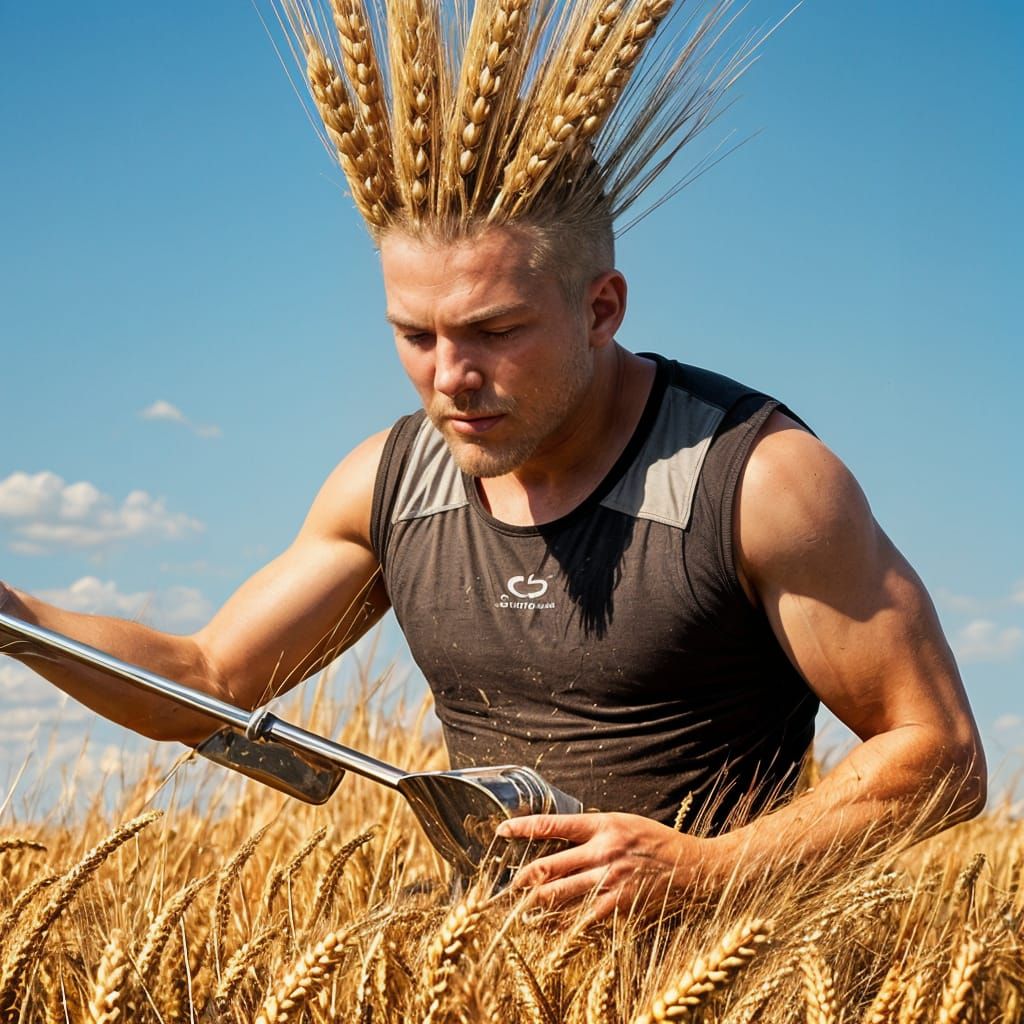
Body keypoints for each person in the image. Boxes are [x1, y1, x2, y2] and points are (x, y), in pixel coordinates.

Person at [0, 0, 984, 922]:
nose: (450, 377)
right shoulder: (388, 484)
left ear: (601, 307)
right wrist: (17, 620)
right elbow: (206, 677)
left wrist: (706, 871)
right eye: (414, 334)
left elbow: (936, 752)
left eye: (494, 330)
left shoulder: (760, 481)